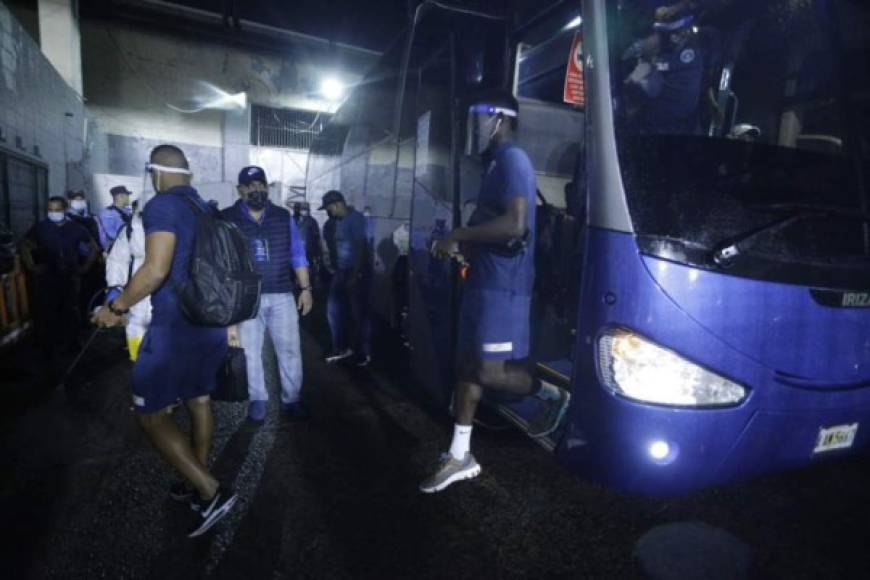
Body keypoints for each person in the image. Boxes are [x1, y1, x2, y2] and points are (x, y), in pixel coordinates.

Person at [420, 91, 571, 494]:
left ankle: (548, 392)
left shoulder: (513, 159)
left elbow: (516, 226)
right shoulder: (493, 166)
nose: (473, 128)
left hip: (504, 288)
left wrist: (458, 234)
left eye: (478, 118)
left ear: (500, 119)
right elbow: (493, 227)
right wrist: (462, 245)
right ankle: (459, 455)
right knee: (467, 366)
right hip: (484, 282)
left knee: (488, 372)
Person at [92, 145, 238, 538]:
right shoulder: (204, 207)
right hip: (209, 324)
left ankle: (210, 491)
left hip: (175, 329)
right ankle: (196, 479)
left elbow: (156, 270)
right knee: (199, 400)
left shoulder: (162, 205)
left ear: (155, 172)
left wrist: (117, 307)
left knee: (150, 414)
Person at [222, 167, 313, 423]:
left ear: (267, 187)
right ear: (239, 190)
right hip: (246, 299)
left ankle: (291, 399)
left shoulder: (283, 216)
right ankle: (258, 399)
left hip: (282, 294)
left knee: (290, 350)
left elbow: (298, 254)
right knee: (250, 351)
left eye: (261, 184)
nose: (256, 189)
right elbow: (221, 261)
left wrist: (305, 289)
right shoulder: (227, 218)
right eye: (250, 185)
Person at [20, 196, 100, 361]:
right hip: (47, 277)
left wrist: (85, 267)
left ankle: (73, 344)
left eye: (57, 210)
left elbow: (93, 247)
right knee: (47, 311)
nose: (53, 213)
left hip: (69, 277)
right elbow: (24, 246)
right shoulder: (41, 228)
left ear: (64, 210)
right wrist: (32, 267)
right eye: (50, 210)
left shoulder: (75, 228)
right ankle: (48, 347)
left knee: (70, 309)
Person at [320, 190, 372, 366]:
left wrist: (356, 274)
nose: (329, 212)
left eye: (329, 208)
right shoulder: (338, 221)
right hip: (341, 271)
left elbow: (361, 248)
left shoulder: (356, 219)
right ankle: (341, 348)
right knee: (334, 310)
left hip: (355, 271)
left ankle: (363, 353)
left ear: (337, 204)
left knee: (359, 314)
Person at [104, 199, 151, 362]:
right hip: (136, 290)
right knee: (135, 327)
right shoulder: (131, 229)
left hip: (167, 291)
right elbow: (117, 259)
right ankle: (137, 363)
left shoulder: (175, 226)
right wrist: (115, 287)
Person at [291, 201, 323, 287]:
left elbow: (316, 239)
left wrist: (318, 255)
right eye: (302, 209)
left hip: (308, 255)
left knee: (308, 277)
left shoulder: (312, 221)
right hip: (294, 255)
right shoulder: (292, 220)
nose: (304, 211)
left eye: (305, 209)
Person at [97, 186, 134, 251]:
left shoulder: (127, 211)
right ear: (120, 196)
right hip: (115, 250)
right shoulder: (108, 213)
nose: (129, 198)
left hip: (127, 247)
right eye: (127, 195)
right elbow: (112, 235)